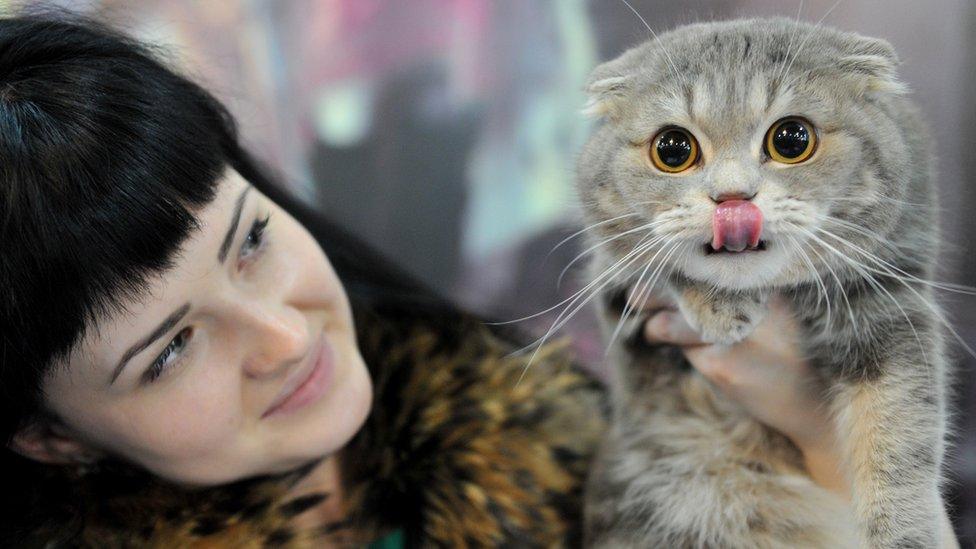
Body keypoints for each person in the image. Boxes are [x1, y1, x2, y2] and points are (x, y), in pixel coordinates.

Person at [0, 10, 921, 548]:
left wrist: (819, 434)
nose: (285, 337)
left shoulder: (542, 422)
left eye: (248, 242)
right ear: (48, 436)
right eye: (170, 351)